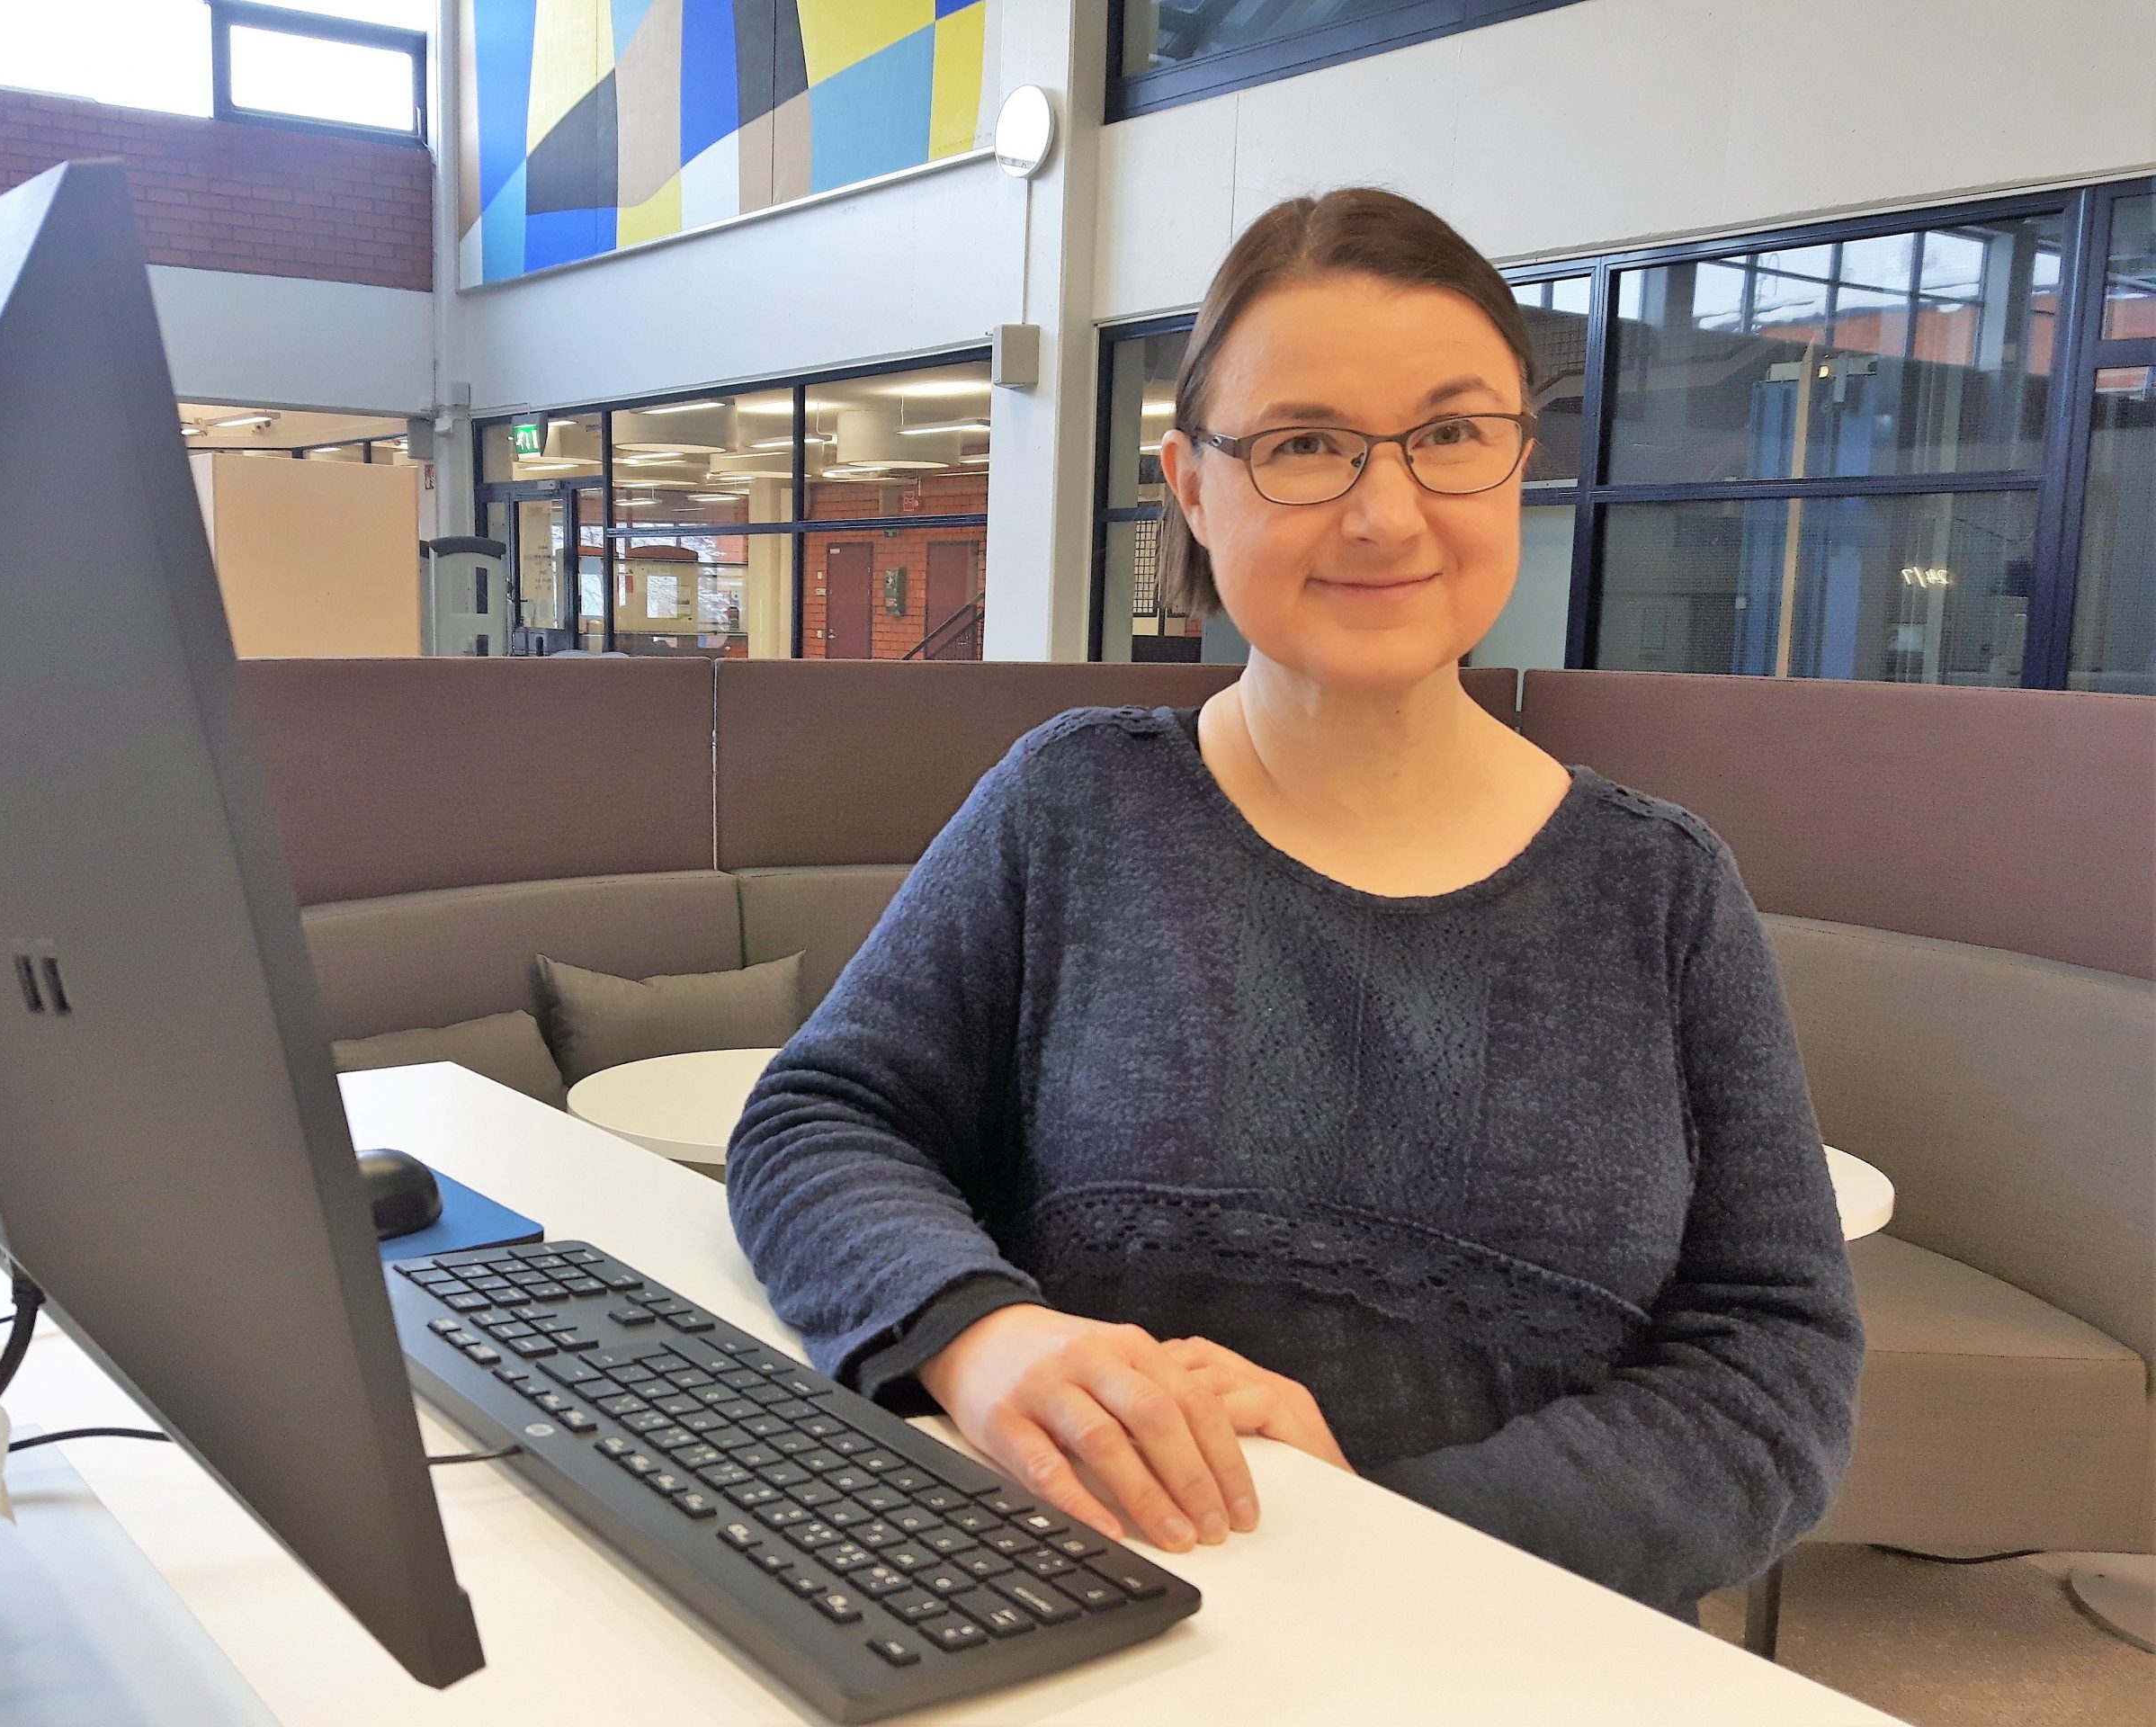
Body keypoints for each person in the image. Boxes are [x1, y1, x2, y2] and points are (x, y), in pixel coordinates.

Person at [726, 188, 1862, 1620]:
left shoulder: (1661, 890)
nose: (1385, 512)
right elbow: (824, 1117)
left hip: (1504, 1665)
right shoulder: (1075, 804)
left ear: (1520, 463)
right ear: (1191, 486)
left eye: (1450, 434)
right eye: (1303, 445)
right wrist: (982, 1334)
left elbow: (1773, 1374)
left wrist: (1374, 1525)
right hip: (1086, 1635)